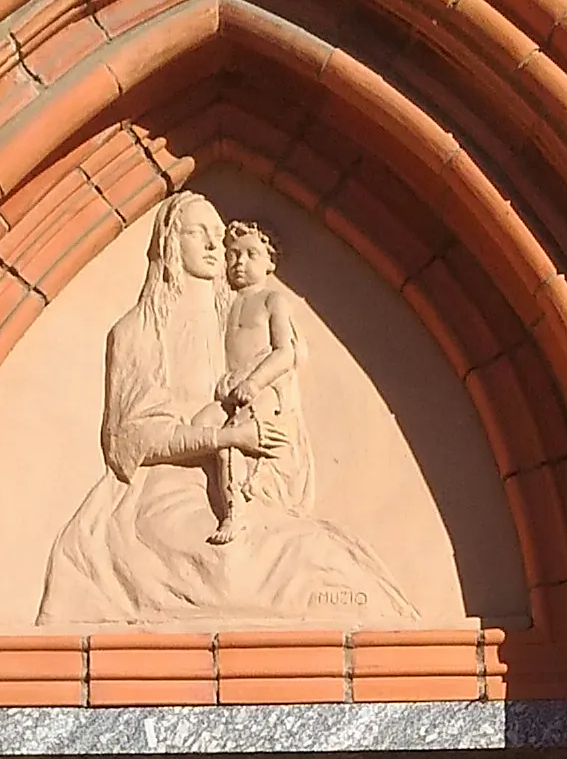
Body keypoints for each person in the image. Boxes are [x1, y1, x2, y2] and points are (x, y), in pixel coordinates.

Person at [35, 188, 419, 629]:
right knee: (240, 564)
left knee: (309, 550)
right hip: (158, 499)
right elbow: (128, 443)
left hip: (246, 483)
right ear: (169, 242)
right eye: (200, 233)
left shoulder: (233, 320)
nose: (216, 246)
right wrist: (226, 438)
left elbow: (283, 362)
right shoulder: (137, 331)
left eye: (218, 236)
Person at [211, 219, 310, 541]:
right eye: (233, 255)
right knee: (207, 429)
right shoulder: (225, 302)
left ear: (270, 262)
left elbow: (285, 352)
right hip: (230, 389)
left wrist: (253, 383)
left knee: (235, 440)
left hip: (264, 386)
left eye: (251, 254)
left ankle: (236, 512)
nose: (240, 263)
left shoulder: (272, 300)